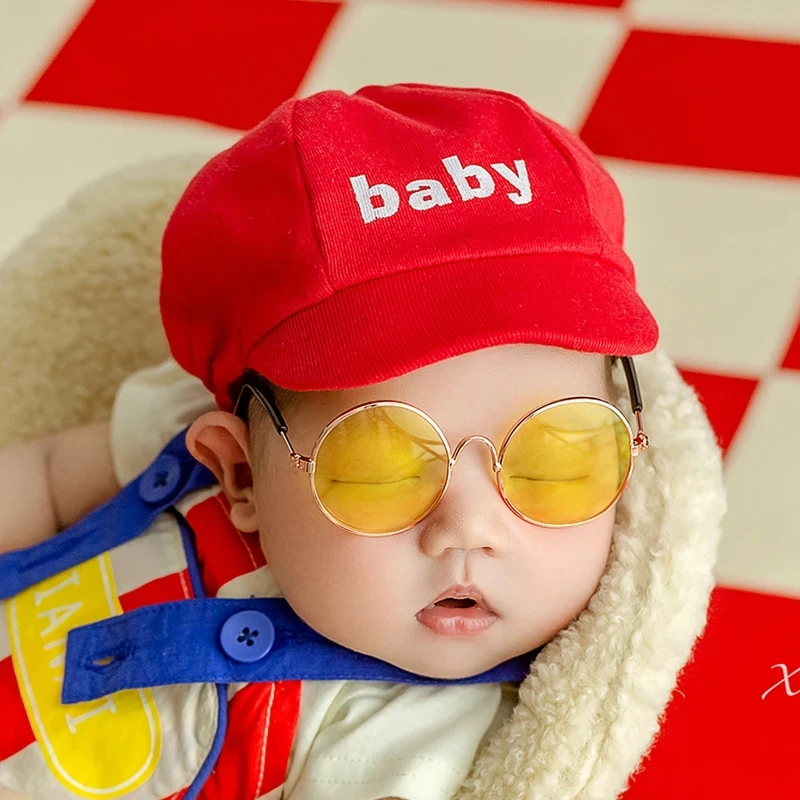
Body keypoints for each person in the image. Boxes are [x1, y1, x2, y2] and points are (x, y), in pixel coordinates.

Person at [0, 82, 676, 800]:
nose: (469, 530)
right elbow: (43, 480)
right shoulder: (180, 440)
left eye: (554, 457)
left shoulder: (410, 752)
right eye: (381, 465)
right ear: (238, 476)